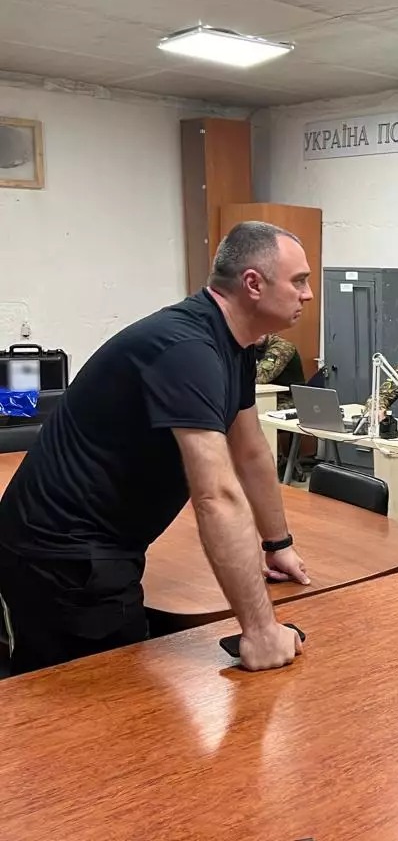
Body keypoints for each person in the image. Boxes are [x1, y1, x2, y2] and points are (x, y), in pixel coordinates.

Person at [0, 221, 315, 675]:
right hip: (63, 556)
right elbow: (216, 495)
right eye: (298, 281)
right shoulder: (186, 349)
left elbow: (249, 452)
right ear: (253, 284)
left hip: (96, 544)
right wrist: (262, 630)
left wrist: (277, 543)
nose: (308, 294)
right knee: (103, 698)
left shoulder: (237, 344)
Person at [254, 332, 304, 408]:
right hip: (268, 395)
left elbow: (261, 376)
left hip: (289, 400)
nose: (257, 333)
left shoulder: (282, 347)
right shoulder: (252, 347)